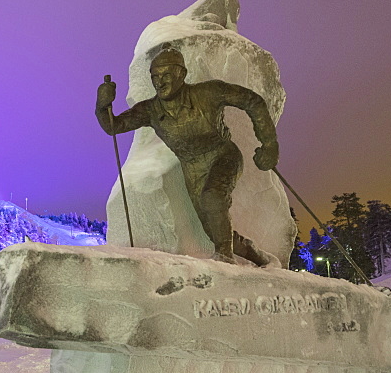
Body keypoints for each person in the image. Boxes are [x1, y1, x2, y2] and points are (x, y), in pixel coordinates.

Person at [96, 44, 278, 265]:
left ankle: (225, 258)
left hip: (222, 154)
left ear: (181, 74)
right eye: (155, 77)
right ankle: (257, 256)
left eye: (166, 75)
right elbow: (114, 127)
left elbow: (252, 101)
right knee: (214, 230)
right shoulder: (150, 110)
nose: (159, 82)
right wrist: (102, 105)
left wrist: (269, 144)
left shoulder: (208, 92)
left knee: (213, 198)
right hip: (192, 168)